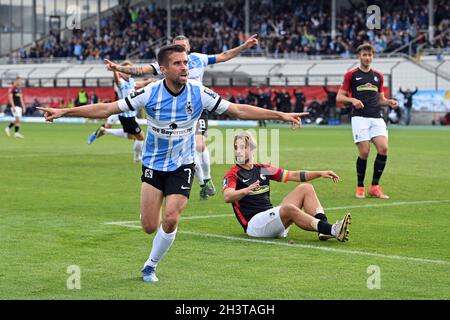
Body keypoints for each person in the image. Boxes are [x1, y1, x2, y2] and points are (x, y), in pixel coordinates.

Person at [37, 44, 308, 283]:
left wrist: (281, 115)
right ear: (164, 69)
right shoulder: (150, 94)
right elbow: (108, 108)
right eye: (178, 63)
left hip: (183, 164)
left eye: (186, 62)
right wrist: (64, 111)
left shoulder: (198, 92)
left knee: (172, 217)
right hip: (154, 165)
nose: (185, 67)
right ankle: (152, 245)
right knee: (148, 225)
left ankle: (150, 266)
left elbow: (238, 109)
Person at [104, 34, 259, 201]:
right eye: (177, 46)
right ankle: (197, 182)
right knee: (187, 149)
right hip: (175, 110)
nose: (181, 51)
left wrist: (244, 46)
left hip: (197, 107)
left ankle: (206, 180)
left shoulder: (199, 59)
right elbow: (141, 70)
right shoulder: (167, 63)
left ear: (189, 47)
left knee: (199, 145)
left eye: (183, 47)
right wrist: (118, 68)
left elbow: (224, 56)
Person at [223, 131, 351, 241]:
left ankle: (323, 229)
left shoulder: (263, 169)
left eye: (243, 147)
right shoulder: (233, 173)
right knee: (288, 208)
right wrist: (246, 190)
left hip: (270, 218)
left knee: (305, 188)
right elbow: (227, 196)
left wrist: (320, 173)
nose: (238, 151)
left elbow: (293, 175)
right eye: (236, 148)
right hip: (254, 226)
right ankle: (333, 230)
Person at [336, 43, 399, 199]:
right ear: (360, 56)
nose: (367, 57)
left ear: (373, 56)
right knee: (364, 152)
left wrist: (389, 102)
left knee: (383, 148)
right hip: (359, 118)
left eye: (370, 55)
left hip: (376, 117)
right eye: (364, 55)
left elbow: (381, 99)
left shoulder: (378, 76)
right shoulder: (351, 75)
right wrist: (352, 100)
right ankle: (360, 187)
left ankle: (375, 187)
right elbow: (339, 97)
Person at [87, 60, 154, 162]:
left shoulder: (131, 81)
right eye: (126, 71)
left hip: (130, 115)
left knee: (131, 136)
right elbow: (117, 81)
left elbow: (138, 84)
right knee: (140, 137)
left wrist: (148, 82)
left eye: (129, 70)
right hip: (126, 115)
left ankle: (105, 131)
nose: (128, 72)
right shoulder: (122, 82)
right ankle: (137, 158)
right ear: (122, 72)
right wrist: (115, 71)